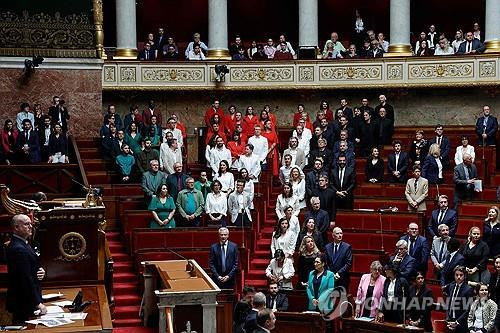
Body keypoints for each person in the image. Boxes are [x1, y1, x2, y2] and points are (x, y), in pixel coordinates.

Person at [6, 214, 47, 323]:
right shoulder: (18, 248)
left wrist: (40, 270)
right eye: (26, 224)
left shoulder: (23, 243)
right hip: (23, 301)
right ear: (16, 228)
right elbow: (25, 278)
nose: (30, 227)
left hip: (26, 299)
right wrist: (37, 303)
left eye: (31, 224)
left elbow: (31, 265)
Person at [446, 266, 474, 333]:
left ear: (464, 276)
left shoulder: (468, 289)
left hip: (461, 323)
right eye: (457, 275)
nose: (458, 277)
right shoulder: (451, 286)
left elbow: (468, 309)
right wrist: (447, 318)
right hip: (450, 322)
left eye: (461, 275)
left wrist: (457, 322)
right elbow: (448, 304)